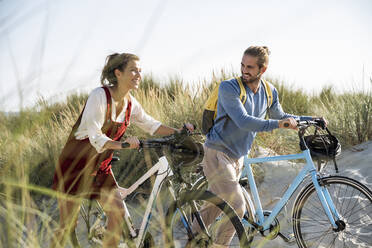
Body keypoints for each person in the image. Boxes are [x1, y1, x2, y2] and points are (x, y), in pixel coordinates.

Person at [52, 52, 194, 248]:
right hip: (75, 167)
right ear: (118, 73)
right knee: (67, 225)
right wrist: (123, 144)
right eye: (133, 70)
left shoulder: (130, 103)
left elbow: (150, 124)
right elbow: (95, 136)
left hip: (101, 168)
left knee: (117, 214)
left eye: (140, 71)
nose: (138, 75)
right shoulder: (99, 96)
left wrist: (178, 132)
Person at [192, 46, 326, 247]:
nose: (244, 70)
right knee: (236, 206)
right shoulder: (229, 88)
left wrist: (311, 119)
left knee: (215, 207)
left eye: (250, 67)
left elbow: (281, 116)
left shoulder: (269, 91)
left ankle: (189, 240)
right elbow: (244, 121)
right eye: (242, 65)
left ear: (262, 70)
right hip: (217, 153)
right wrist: (278, 125)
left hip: (238, 157)